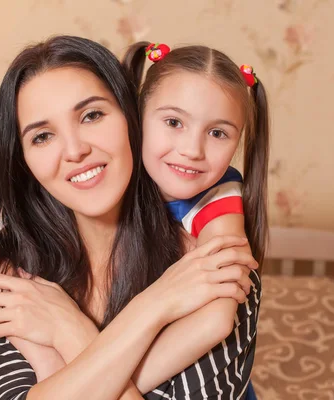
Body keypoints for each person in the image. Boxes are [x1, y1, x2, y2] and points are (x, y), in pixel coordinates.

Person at [0, 35, 261, 400]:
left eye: (92, 115)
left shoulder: (214, 265)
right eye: (42, 136)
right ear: (23, 162)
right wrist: (155, 306)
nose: (75, 150)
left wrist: (68, 331)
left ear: (132, 116)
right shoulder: (16, 269)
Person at [122, 42, 271, 399]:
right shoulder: (112, 178)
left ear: (237, 142)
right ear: (138, 116)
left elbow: (217, 320)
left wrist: (108, 385)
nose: (192, 149)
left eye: (217, 133)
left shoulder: (219, 194)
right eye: (174, 122)